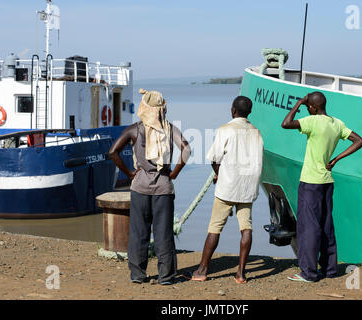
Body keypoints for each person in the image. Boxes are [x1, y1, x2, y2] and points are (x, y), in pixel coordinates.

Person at [109, 88, 191, 285]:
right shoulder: (170, 129)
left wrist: (129, 173)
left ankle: (137, 275)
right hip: (163, 186)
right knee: (164, 234)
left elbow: (113, 152)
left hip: (139, 187)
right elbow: (186, 148)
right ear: (162, 109)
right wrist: (174, 173)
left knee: (138, 232)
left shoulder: (134, 129)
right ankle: (166, 277)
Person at [281, 91, 362, 282]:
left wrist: (297, 104)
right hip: (327, 181)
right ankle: (329, 269)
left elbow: (286, 123)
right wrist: (336, 159)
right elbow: (359, 140)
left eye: (307, 106)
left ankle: (308, 273)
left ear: (313, 107)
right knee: (326, 225)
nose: (306, 109)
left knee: (308, 227)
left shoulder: (312, 122)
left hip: (311, 181)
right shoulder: (337, 123)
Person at [191, 96, 263, 284]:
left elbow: (214, 158)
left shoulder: (226, 130)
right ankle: (240, 273)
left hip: (228, 186)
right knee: (246, 227)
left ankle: (202, 270)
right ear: (249, 112)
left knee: (215, 228)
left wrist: (218, 174)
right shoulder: (257, 132)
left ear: (233, 110)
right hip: (248, 186)